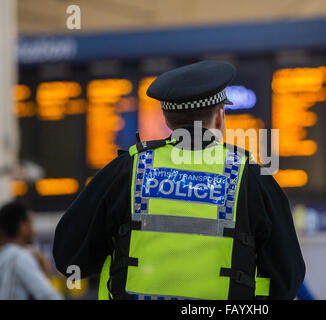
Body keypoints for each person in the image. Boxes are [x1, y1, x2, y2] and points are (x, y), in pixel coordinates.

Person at [53, 60, 305, 300]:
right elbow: (287, 278)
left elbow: (69, 256)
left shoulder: (126, 171)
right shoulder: (250, 177)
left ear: (167, 119)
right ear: (219, 116)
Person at [0, 201, 62, 300]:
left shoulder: (4, 254)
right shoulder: (19, 256)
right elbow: (49, 296)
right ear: (22, 226)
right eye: (30, 223)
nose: (34, 230)